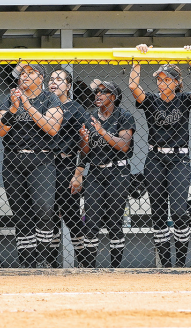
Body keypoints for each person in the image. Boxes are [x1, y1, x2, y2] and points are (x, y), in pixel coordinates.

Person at [130, 44, 191, 268]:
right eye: (159, 79)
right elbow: (133, 85)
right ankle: (166, 264)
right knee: (158, 212)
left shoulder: (183, 100)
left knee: (179, 210)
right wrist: (138, 59)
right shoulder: (152, 101)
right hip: (154, 158)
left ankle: (181, 263)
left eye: (166, 79)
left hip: (179, 159)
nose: (162, 83)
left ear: (176, 82)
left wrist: (190, 59)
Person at [0, 62, 63, 267]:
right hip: (13, 161)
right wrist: (15, 108)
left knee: (44, 208)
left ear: (40, 78)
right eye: (22, 73)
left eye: (30, 73)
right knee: (21, 214)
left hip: (41, 160)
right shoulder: (10, 99)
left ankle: (42, 258)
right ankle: (27, 263)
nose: (24, 76)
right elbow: (0, 131)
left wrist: (27, 105)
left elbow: (51, 128)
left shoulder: (49, 98)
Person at [78, 79, 135, 268]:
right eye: (97, 92)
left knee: (114, 222)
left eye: (104, 92)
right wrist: (85, 140)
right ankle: (89, 268)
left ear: (114, 96)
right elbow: (85, 152)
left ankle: (115, 269)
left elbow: (123, 145)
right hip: (95, 172)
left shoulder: (123, 116)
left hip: (118, 171)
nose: (98, 95)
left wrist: (101, 131)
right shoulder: (89, 116)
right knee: (91, 222)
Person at [48, 69, 88, 268]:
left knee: (71, 214)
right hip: (45, 166)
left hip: (66, 165)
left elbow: (85, 144)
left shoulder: (76, 108)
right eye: (51, 79)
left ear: (68, 85)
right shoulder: (43, 105)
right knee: (50, 215)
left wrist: (78, 174)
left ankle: (83, 261)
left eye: (59, 79)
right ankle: (50, 262)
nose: (54, 82)